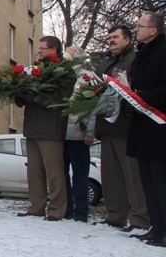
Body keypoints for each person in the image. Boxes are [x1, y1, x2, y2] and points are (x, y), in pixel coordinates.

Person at [85, 25, 150, 231]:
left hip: (126, 126)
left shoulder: (134, 60)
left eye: (116, 37)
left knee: (132, 176)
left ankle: (139, 217)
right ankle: (116, 214)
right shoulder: (106, 63)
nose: (111, 40)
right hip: (106, 127)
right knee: (111, 175)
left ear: (128, 40)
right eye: (109, 37)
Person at [15, 35, 71, 221]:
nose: (38, 51)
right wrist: (19, 93)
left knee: (54, 172)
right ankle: (36, 206)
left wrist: (30, 96)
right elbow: (31, 93)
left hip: (50, 128)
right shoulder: (36, 69)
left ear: (54, 50)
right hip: (32, 126)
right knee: (34, 170)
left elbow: (57, 99)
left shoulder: (64, 71)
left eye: (42, 48)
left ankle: (56, 209)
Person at [126, 12, 166, 248]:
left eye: (140, 26)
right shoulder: (143, 54)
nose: (137, 29)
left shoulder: (164, 52)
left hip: (160, 128)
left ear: (153, 30)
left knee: (161, 183)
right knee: (149, 183)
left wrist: (142, 98)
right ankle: (157, 226)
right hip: (143, 126)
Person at [63, 46, 93, 223]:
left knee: (80, 174)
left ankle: (81, 211)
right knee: (63, 173)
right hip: (62, 132)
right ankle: (66, 208)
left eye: (71, 55)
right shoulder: (63, 77)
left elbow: (93, 108)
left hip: (78, 133)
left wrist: (89, 131)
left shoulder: (87, 78)